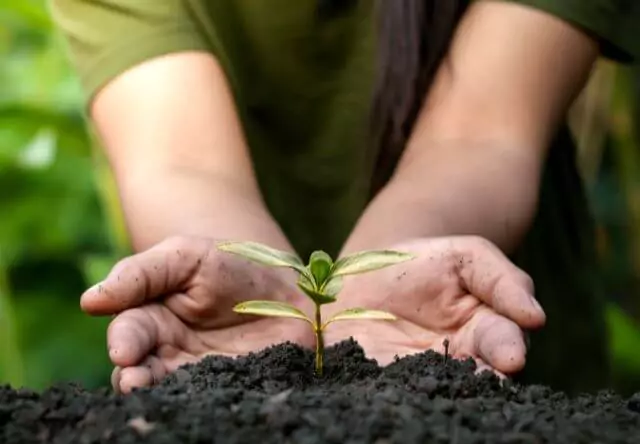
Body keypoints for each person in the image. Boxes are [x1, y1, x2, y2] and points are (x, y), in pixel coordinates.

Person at [50, 0, 638, 394]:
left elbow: (480, 134)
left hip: (478, 361)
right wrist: (251, 273)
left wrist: (392, 275)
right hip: (232, 341)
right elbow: (180, 160)